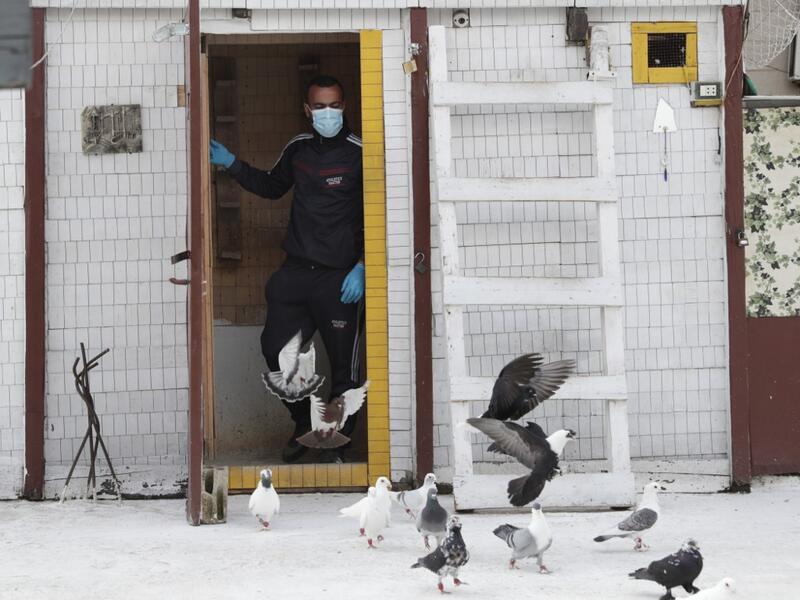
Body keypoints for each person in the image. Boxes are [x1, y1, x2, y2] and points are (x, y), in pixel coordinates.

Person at [209, 75, 365, 464]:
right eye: (320, 106)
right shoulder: (298, 149)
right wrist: (232, 164)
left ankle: (335, 451)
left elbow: (377, 212)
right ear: (307, 109)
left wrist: (362, 266)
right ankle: (302, 423)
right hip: (295, 273)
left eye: (335, 105)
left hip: (339, 279)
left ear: (344, 107)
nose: (328, 113)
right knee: (276, 352)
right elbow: (271, 186)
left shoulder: (361, 152)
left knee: (346, 373)